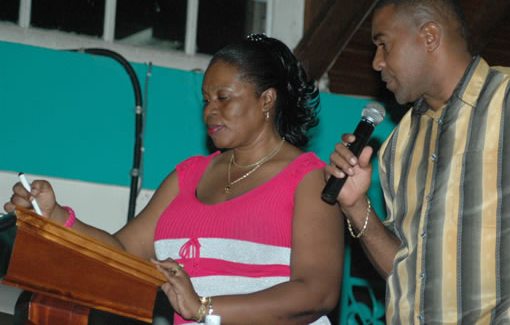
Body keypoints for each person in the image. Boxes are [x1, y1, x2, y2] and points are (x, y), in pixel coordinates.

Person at [6, 34, 344, 325]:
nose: (210, 111)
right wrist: (55, 216)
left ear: (266, 99)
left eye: (223, 98)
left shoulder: (308, 180)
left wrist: (205, 308)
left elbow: (317, 292)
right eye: (206, 100)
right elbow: (123, 254)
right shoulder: (188, 177)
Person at [325, 0, 510, 325]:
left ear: (429, 37)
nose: (377, 63)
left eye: (383, 44)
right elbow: (405, 270)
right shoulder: (400, 144)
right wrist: (355, 206)